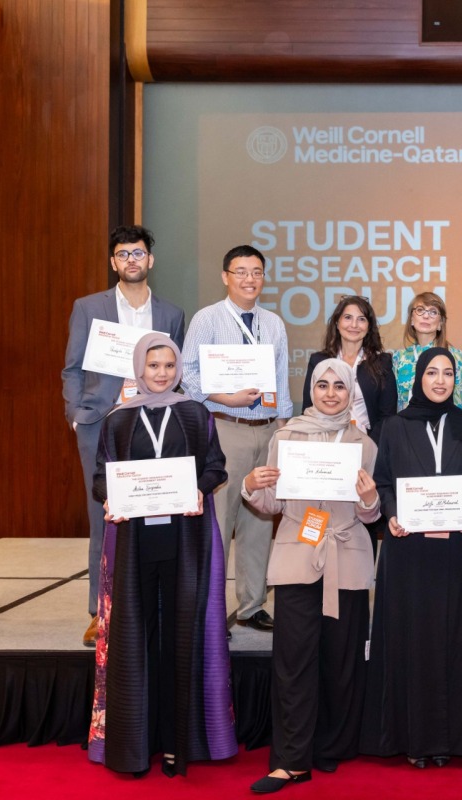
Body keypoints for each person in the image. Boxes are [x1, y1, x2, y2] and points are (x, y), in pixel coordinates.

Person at [87, 332, 236, 777]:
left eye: (169, 366)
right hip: (134, 543)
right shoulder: (117, 420)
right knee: (135, 641)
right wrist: (110, 498)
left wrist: (198, 489)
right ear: (139, 368)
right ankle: (134, 747)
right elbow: (100, 477)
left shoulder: (195, 414)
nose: (161, 373)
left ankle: (177, 744)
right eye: (153, 366)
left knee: (180, 640)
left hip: (185, 544)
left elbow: (216, 467)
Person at [241, 358, 380, 793]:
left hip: (349, 559)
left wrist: (371, 500)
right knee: (294, 662)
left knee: (341, 662)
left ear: (350, 391)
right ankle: (291, 760)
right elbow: (272, 505)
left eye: (340, 386)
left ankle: (330, 746)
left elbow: (369, 516)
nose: (331, 393)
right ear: (312, 389)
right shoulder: (286, 436)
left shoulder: (366, 444)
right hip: (298, 558)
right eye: (322, 385)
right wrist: (252, 484)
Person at [360, 348, 462, 768]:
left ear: (457, 379)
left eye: (448, 373)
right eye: (431, 372)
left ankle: (453, 738)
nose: (439, 380)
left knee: (455, 639)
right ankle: (411, 736)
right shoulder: (393, 427)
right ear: (417, 378)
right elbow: (381, 484)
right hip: (408, 551)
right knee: (411, 639)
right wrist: (393, 513)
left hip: (456, 552)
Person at [63, 224, 185, 647]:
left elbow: (176, 372)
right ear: (113, 262)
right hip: (102, 423)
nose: (131, 260)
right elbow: (72, 367)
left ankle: (150, 601)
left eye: (138, 253)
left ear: (150, 260)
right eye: (123, 255)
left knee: (155, 509)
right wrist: (79, 415)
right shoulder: (88, 307)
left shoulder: (171, 314)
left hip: (152, 424)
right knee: (104, 515)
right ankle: (101, 611)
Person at [181, 244, 292, 633]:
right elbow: (189, 376)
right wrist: (226, 397)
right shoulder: (207, 319)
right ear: (225, 276)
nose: (249, 279)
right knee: (220, 521)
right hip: (225, 428)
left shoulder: (274, 323)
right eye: (241, 271)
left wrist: (283, 430)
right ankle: (211, 611)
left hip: (266, 431)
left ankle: (252, 604)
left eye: (257, 272)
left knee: (260, 520)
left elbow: (280, 380)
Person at [302, 295, 397, 443]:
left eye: (361, 319)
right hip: (324, 441)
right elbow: (308, 409)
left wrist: (370, 445)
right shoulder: (319, 361)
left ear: (369, 326)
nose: (354, 325)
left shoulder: (382, 363)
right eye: (347, 317)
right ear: (337, 322)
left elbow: (387, 416)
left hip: (368, 442)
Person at [392, 292, 462, 412]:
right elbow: (396, 402)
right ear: (411, 319)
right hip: (407, 426)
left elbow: (461, 403)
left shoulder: (458, 358)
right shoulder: (399, 358)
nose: (426, 316)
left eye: (433, 312)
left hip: (445, 426)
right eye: (420, 310)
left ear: (440, 323)